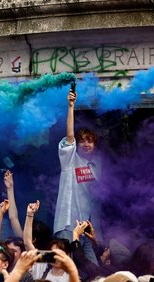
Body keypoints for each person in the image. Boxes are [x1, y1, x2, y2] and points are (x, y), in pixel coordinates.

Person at [52, 89, 101, 264]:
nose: (86, 144)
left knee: (93, 269)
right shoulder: (70, 160)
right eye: (83, 141)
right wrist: (71, 107)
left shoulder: (97, 167)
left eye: (90, 141)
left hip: (85, 229)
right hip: (67, 225)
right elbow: (70, 136)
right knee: (69, 268)